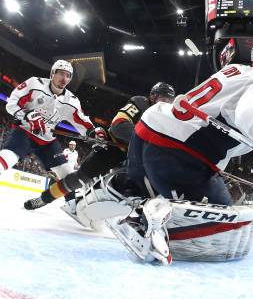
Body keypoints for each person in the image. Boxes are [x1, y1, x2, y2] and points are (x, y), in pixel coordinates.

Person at [82, 35, 253, 264]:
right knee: (223, 229)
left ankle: (121, 186)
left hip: (150, 128)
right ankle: (144, 222)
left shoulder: (235, 74)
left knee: (148, 184)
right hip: (178, 153)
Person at [23, 82, 176, 217]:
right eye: (163, 100)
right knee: (80, 178)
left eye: (169, 101)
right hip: (114, 148)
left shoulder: (165, 118)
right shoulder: (140, 104)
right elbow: (119, 125)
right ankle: (44, 199)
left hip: (136, 156)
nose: (166, 104)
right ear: (152, 96)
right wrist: (144, 142)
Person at [0, 60, 106, 182]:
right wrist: (27, 115)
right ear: (52, 74)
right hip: (25, 132)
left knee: (69, 177)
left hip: (47, 141)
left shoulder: (71, 101)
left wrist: (93, 134)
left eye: (68, 75)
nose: (64, 78)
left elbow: (83, 124)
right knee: (7, 157)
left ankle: (66, 201)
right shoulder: (34, 84)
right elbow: (11, 104)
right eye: (61, 73)